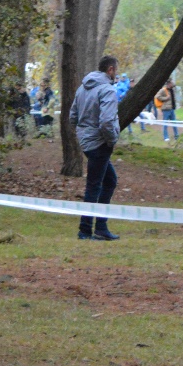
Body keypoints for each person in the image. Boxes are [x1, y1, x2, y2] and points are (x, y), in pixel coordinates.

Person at [69, 56, 122, 241]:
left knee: (110, 181)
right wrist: (112, 139)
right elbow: (107, 121)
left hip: (87, 142)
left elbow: (72, 116)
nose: (117, 73)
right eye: (116, 69)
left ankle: (100, 227)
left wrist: (84, 134)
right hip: (100, 143)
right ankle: (85, 230)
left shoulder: (83, 87)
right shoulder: (107, 90)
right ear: (110, 70)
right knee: (94, 186)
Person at [157, 78, 178, 142]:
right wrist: (166, 98)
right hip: (166, 109)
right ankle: (166, 137)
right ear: (168, 83)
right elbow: (157, 96)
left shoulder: (172, 89)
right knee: (165, 124)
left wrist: (171, 80)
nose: (172, 83)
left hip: (172, 109)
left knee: (174, 123)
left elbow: (175, 84)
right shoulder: (163, 90)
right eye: (171, 82)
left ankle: (176, 136)